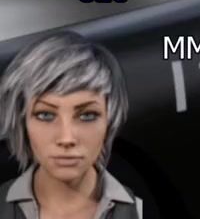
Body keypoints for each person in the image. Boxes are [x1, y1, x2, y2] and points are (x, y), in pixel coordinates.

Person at [0, 32, 141, 219]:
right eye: (45, 115)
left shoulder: (140, 210)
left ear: (110, 120)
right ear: (22, 122)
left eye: (87, 116)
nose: (66, 138)